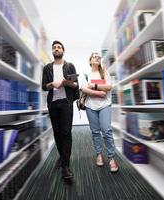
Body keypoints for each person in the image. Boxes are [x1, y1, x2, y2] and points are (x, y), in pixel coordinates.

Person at [41, 40, 79, 179]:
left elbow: (76, 85)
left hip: (66, 103)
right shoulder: (47, 68)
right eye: (54, 48)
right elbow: (44, 86)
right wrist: (53, 84)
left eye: (59, 47)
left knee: (66, 133)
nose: (56, 49)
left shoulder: (70, 66)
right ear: (52, 51)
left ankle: (66, 166)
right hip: (53, 104)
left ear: (63, 50)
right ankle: (63, 157)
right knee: (57, 133)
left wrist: (68, 83)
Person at [81, 52, 118, 172]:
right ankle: (99, 154)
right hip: (90, 106)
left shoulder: (104, 72)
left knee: (107, 131)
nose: (97, 58)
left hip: (105, 105)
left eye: (98, 57)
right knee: (95, 132)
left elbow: (109, 87)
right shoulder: (86, 74)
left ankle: (112, 158)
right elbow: (83, 89)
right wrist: (99, 93)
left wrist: (93, 86)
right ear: (90, 60)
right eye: (94, 56)